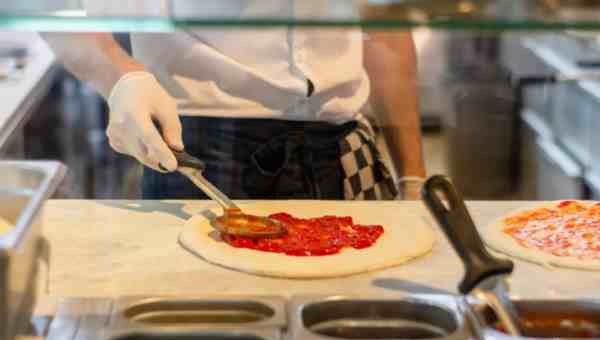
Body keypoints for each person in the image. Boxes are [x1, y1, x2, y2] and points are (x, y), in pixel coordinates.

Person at [43, 2, 424, 201]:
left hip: (341, 149)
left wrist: (414, 180)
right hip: (200, 152)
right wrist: (120, 78)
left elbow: (385, 26)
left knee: (350, 316)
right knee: (205, 321)